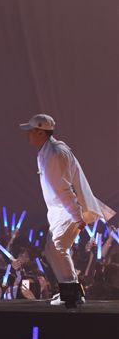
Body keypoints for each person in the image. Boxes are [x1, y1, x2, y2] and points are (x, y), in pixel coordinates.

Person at [20, 113, 115, 305]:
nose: (28, 134)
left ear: (40, 132)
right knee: (52, 250)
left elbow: (64, 189)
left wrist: (77, 217)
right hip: (62, 210)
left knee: (57, 248)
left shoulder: (55, 154)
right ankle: (70, 291)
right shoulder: (48, 151)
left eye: (31, 131)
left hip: (68, 210)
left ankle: (72, 293)